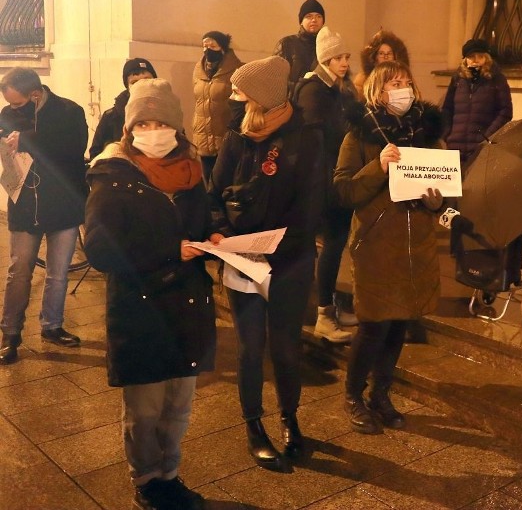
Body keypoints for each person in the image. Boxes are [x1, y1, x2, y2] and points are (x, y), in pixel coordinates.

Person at [84, 78, 214, 510]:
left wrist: (216, 238)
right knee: (145, 410)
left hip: (188, 303)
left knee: (179, 403)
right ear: (130, 129)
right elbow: (101, 248)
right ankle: (146, 480)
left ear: (177, 128)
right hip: (141, 309)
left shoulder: (193, 173)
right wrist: (170, 250)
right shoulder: (113, 176)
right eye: (145, 122)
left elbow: (199, 224)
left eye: (162, 122)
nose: (154, 131)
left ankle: (170, 474)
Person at [209, 56, 324, 471]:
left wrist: (274, 247)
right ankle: (254, 427)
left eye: (241, 92)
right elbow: (215, 193)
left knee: (287, 348)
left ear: (264, 96)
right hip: (241, 258)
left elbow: (311, 207)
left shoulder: (307, 138)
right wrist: (222, 233)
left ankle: (290, 419)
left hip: (289, 260)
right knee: (250, 349)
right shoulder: (236, 138)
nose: (235, 100)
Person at [334, 60, 445, 434]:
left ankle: (381, 393)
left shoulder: (430, 136)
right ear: (377, 91)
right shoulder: (360, 136)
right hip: (376, 244)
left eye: (406, 82)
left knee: (399, 323)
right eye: (393, 83)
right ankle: (353, 394)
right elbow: (344, 189)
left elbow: (443, 195)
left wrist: (435, 201)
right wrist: (377, 167)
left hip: (416, 246)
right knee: (373, 325)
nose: (403, 89)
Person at [0, 68, 87, 365]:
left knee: (58, 272)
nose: (12, 109)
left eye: (17, 103)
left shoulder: (69, 111)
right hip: (25, 205)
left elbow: (72, 149)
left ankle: (52, 325)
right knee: (19, 270)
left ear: (35, 95)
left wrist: (26, 140)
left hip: (63, 203)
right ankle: (10, 333)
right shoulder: (7, 114)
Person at [293, 26, 358, 343]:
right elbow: (317, 142)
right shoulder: (313, 90)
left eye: (345, 56)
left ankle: (330, 304)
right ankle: (323, 314)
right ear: (325, 59)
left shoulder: (336, 88)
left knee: (336, 244)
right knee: (331, 244)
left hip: (334, 177)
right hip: (323, 183)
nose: (344, 62)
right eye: (337, 57)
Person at [441, 38, 513, 166]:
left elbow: (505, 112)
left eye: (480, 56)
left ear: (486, 58)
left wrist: (487, 137)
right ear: (465, 59)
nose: (475, 60)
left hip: (481, 148)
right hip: (455, 148)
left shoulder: (496, 79)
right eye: (471, 56)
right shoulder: (458, 79)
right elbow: (447, 109)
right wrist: (447, 134)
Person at [193, 30, 244, 185]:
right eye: (205, 45)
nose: (208, 49)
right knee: (208, 183)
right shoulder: (198, 70)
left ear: (222, 48)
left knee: (225, 182)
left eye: (213, 45)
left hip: (226, 135)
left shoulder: (238, 69)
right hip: (203, 136)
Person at [88, 58, 157, 160]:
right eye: (134, 82)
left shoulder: (168, 112)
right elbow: (95, 153)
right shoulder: (111, 117)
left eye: (146, 79)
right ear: (127, 86)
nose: (141, 85)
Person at [274, 0, 325, 96]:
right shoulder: (287, 44)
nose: (314, 20)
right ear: (301, 21)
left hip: (319, 102)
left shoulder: (328, 46)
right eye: (309, 16)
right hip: (291, 102)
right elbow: (275, 77)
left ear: (323, 21)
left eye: (318, 16)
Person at [353, 29, 410, 100]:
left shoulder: (404, 78)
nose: (386, 57)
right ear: (374, 57)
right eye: (381, 53)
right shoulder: (362, 80)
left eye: (389, 53)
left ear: (395, 56)